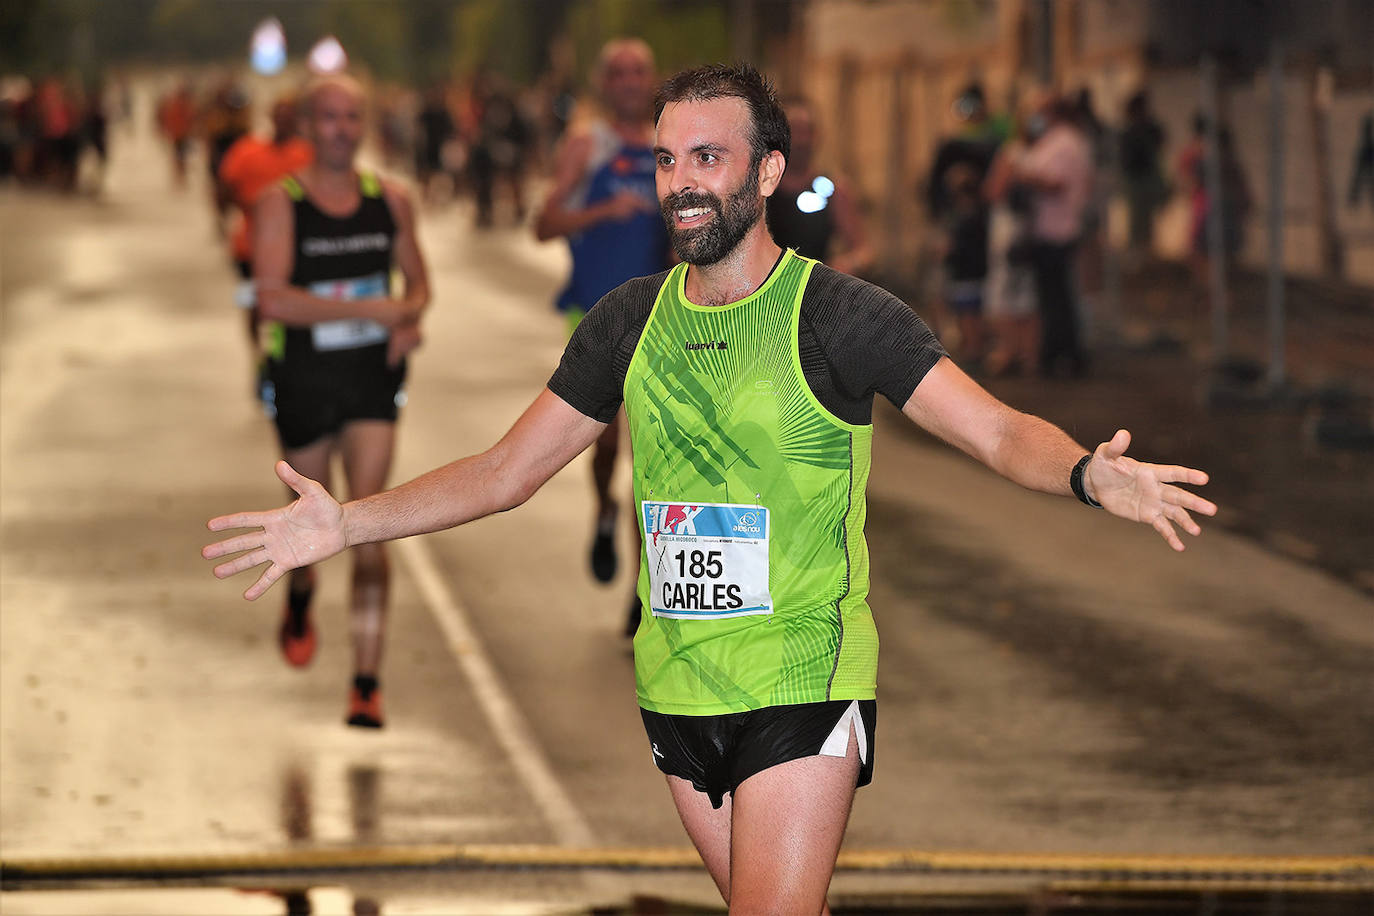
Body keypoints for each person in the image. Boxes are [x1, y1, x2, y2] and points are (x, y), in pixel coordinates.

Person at [206, 64, 1215, 912]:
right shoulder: (625, 320)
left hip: (802, 676)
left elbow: (993, 431)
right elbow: (507, 473)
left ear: (768, 171)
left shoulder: (840, 316)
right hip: (677, 686)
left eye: (708, 158)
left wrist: (1085, 471)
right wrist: (345, 524)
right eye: (665, 158)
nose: (680, 183)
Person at [247, 74, 430, 728]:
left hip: (369, 382)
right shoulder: (281, 202)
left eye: (352, 117)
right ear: (306, 124)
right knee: (308, 509)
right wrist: (368, 308)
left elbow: (419, 283)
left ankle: (365, 679)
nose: (342, 130)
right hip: (302, 378)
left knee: (366, 522)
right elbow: (270, 297)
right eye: (328, 117)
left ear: (365, 124)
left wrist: (405, 320)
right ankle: (300, 589)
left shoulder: (392, 199)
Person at [534, 38, 668, 615]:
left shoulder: (673, 145)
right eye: (619, 72)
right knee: (608, 441)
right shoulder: (587, 145)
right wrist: (601, 213)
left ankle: (646, 587)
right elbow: (544, 223)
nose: (630, 80)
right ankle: (605, 510)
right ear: (604, 83)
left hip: (665, 313)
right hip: (595, 310)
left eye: (639, 70)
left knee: (655, 455)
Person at [216, 94, 314, 359]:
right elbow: (224, 188)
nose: (284, 120)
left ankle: (288, 351)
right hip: (249, 247)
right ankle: (257, 353)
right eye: (280, 114)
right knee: (251, 300)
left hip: (296, 246)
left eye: (290, 114)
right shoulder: (246, 150)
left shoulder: (309, 154)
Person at [1014, 91, 1094, 377]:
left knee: (1056, 298)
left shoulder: (1063, 143)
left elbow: (1055, 183)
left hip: (1056, 229)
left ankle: (1064, 355)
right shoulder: (1063, 141)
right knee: (1054, 296)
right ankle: (1062, 353)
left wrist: (1023, 176)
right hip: (1054, 227)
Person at [765, 98, 872, 275]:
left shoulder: (833, 190)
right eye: (795, 131)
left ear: (817, 136)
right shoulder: (762, 190)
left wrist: (845, 264)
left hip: (814, 287)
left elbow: (864, 252)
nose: (801, 141)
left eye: (806, 132)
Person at [1118, 90, 1168, 261]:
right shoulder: (1131, 130)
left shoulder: (1148, 128)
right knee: (1137, 216)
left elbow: (1159, 145)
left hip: (1145, 177)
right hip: (1136, 177)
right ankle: (1140, 250)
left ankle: (1145, 251)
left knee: (1143, 217)